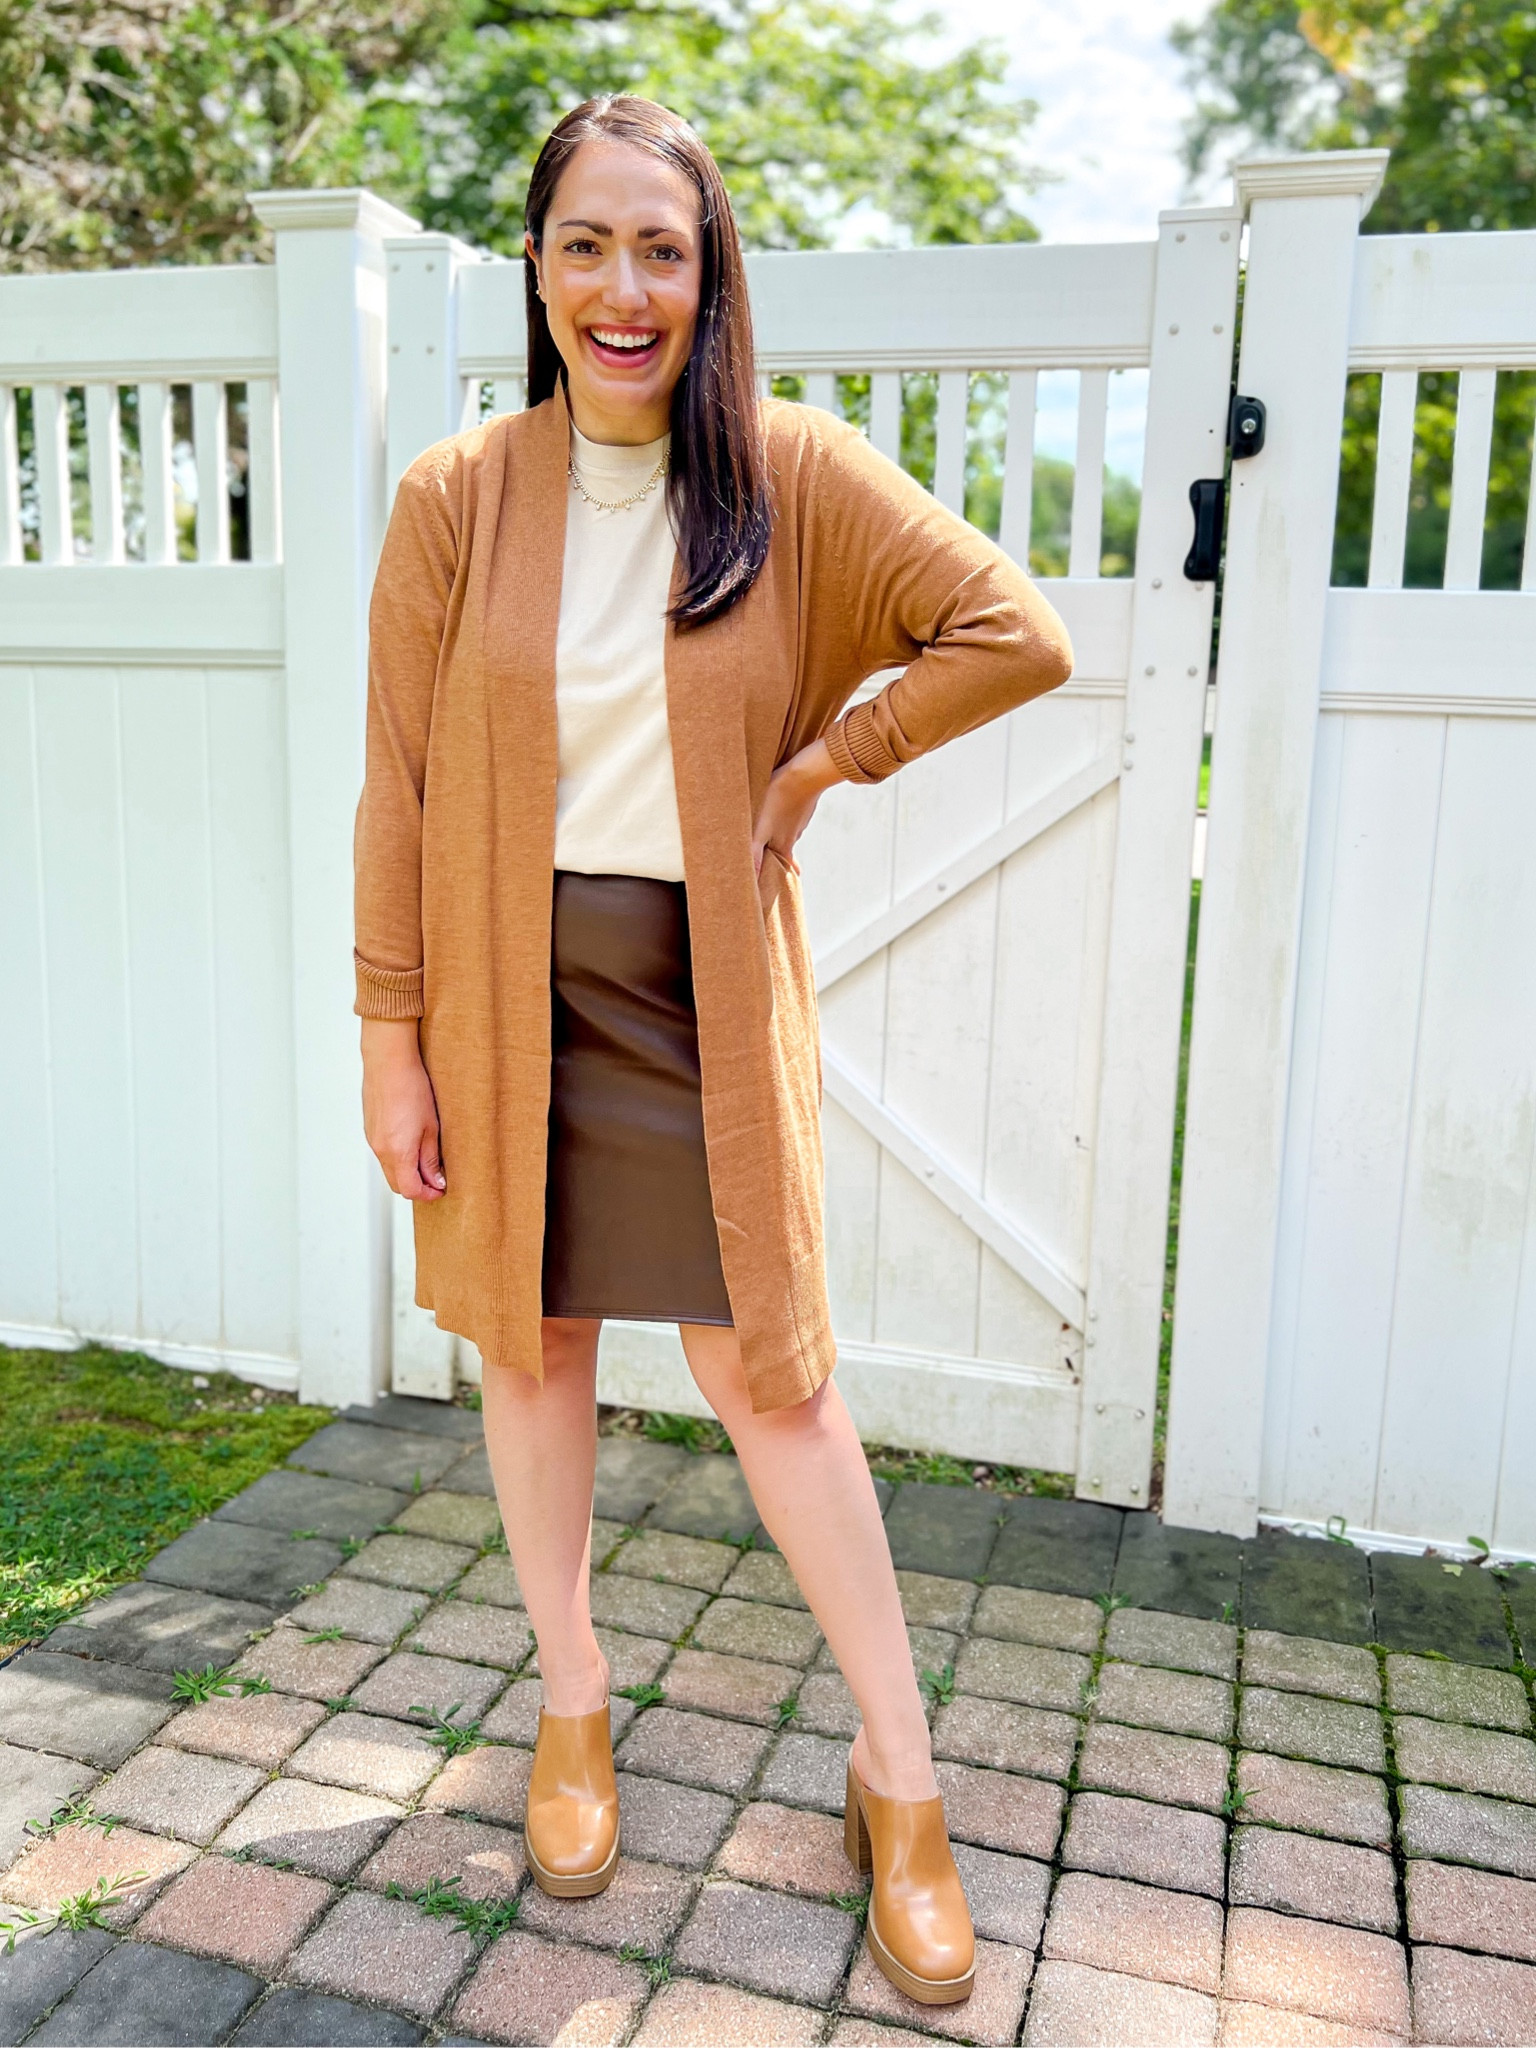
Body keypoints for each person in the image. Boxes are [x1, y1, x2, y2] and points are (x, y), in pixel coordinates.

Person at [355, 93, 1073, 2007]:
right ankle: (572, 1702)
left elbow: (1013, 631)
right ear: (535, 266)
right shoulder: (455, 496)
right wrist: (390, 1037)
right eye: (587, 244)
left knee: (772, 1378)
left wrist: (828, 761)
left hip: (696, 1001)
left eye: (661, 250)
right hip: (502, 994)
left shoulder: (788, 475)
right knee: (533, 1342)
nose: (624, 288)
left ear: (708, 274)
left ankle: (898, 1780)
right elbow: (396, 790)